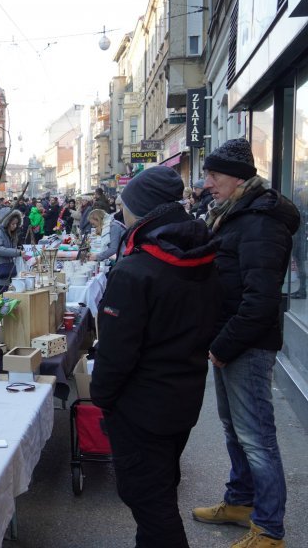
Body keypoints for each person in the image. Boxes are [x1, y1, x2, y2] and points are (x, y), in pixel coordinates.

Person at [91, 166, 221, 548]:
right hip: (181, 398)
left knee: (151, 502)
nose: (120, 210)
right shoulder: (201, 255)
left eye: (125, 204)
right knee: (160, 488)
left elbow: (116, 354)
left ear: (141, 210)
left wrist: (102, 397)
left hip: (141, 408)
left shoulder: (136, 269)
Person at [192, 138, 298, 548]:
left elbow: (260, 302)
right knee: (235, 429)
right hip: (229, 339)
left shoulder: (260, 221)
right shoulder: (235, 214)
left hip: (245, 346)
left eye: (214, 175)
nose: (207, 182)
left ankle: (269, 530)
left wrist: (223, 346)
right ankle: (240, 501)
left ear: (238, 178)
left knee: (257, 437)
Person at [0, 208, 26, 292]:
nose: (15, 226)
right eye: (13, 224)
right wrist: (17, 252)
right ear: (7, 223)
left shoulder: (11, 234)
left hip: (8, 271)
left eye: (16, 224)